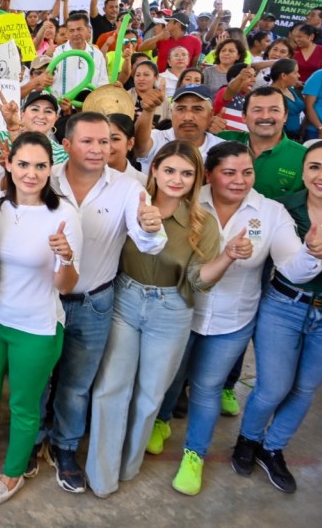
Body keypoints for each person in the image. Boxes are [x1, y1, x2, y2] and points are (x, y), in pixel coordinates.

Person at [146, 143, 322, 496]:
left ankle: (194, 455)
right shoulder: (190, 200)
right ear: (209, 174)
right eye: (229, 172)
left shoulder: (270, 213)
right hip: (181, 311)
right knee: (171, 377)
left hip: (233, 320)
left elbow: (291, 267)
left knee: (206, 388)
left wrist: (311, 254)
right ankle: (162, 421)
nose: (239, 181)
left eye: (247, 172)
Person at [87, 141, 232, 499]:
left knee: (150, 394)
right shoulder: (131, 203)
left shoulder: (204, 224)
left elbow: (199, 280)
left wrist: (227, 257)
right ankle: (101, 475)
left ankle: (128, 464)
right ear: (154, 170)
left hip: (172, 309)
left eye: (186, 173)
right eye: (169, 170)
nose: (177, 179)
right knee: (110, 388)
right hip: (126, 297)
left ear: (197, 179)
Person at [0, 132, 81, 505]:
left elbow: (67, 286)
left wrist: (66, 258)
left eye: (40, 166)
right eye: (23, 164)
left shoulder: (64, 214)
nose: (31, 173)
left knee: (24, 407)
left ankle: (12, 473)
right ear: (8, 163)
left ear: (50, 168)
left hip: (37, 328)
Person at [39, 113, 166, 493]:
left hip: (94, 302)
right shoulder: (45, 179)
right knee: (38, 382)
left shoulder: (129, 188)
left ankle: (64, 449)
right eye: (89, 141)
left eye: (107, 141)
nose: (100, 149)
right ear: (67, 146)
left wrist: (148, 226)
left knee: (77, 386)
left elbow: (148, 243)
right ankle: (31, 444)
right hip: (43, 300)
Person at [232, 141, 322, 494]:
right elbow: (276, 258)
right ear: (303, 171)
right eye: (315, 166)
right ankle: (248, 439)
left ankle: (273, 448)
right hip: (285, 306)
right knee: (273, 387)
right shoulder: (284, 209)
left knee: (304, 389)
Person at [217, 86, 307, 198]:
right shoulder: (220, 141)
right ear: (244, 116)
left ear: (285, 116)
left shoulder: (305, 158)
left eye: (274, 110)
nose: (265, 116)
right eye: (257, 110)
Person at [134, 84, 224, 172]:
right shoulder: (157, 138)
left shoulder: (222, 149)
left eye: (197, 109)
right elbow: (139, 147)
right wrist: (148, 111)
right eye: (181, 109)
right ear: (171, 112)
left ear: (211, 114)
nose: (188, 117)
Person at [50, 13, 109, 96]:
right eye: (71, 30)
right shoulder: (57, 53)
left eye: (79, 29)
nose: (75, 34)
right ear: (67, 33)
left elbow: (103, 83)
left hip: (89, 106)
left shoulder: (97, 54)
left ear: (88, 30)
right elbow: (49, 78)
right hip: (61, 105)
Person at [265, 58, 304, 139]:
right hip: (280, 139)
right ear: (283, 76)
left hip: (296, 137)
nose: (299, 75)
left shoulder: (291, 89)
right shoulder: (270, 94)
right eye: (295, 72)